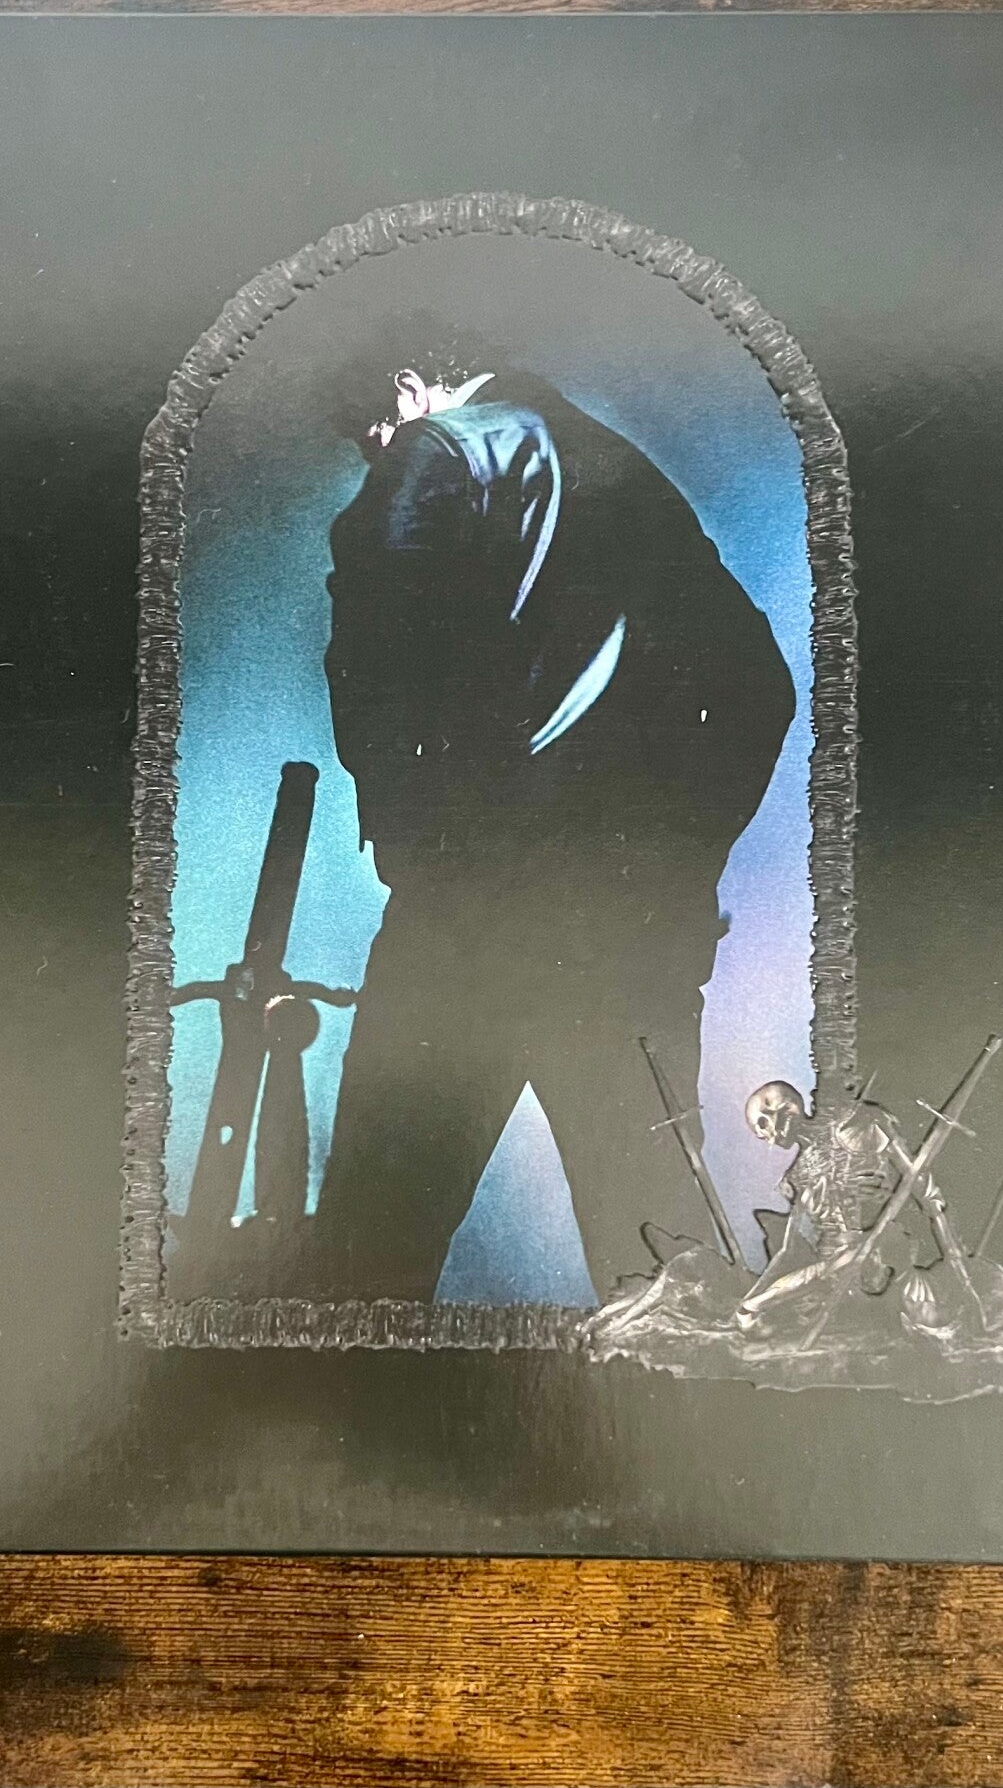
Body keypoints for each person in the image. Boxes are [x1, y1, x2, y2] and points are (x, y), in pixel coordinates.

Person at [306, 346, 796, 1302]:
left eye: (368, 429)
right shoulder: (623, 471)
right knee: (659, 1262)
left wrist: (418, 843)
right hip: (632, 934)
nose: (372, 451)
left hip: (470, 923)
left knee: (367, 1255)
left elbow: (373, 669)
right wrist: (676, 863)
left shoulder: (435, 450)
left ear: (408, 385)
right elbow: (760, 686)